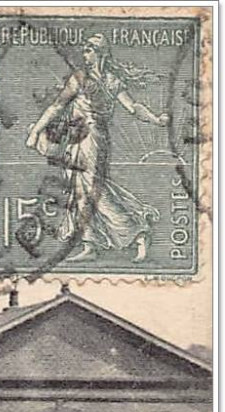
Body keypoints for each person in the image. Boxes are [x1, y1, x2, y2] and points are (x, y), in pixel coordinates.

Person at [26, 33, 169, 262]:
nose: (85, 52)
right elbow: (56, 107)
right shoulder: (79, 78)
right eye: (84, 48)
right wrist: (35, 131)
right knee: (79, 190)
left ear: (100, 52)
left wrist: (155, 119)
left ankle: (138, 233)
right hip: (75, 138)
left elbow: (133, 107)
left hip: (93, 139)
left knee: (93, 192)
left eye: (89, 48)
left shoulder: (111, 81)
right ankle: (89, 244)